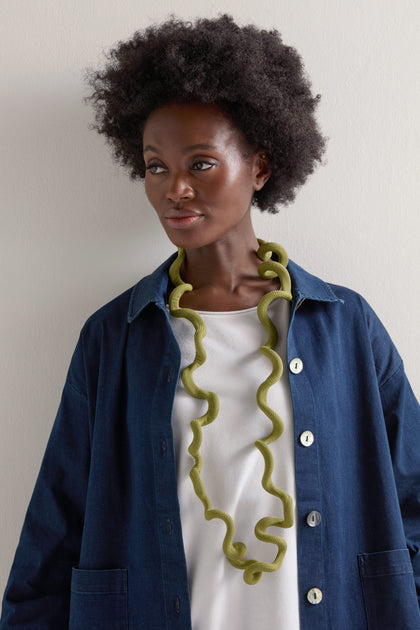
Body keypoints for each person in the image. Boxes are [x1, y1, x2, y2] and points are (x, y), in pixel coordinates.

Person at [1, 14, 419, 630]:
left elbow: (413, 496)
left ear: (260, 168)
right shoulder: (115, 336)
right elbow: (58, 523)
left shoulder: (346, 326)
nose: (175, 190)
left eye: (201, 164)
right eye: (155, 166)